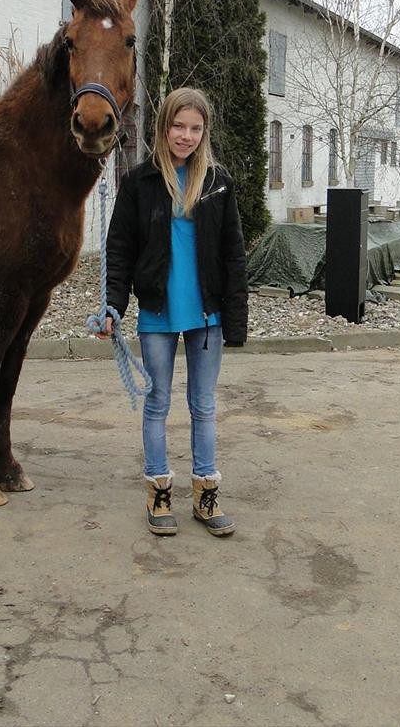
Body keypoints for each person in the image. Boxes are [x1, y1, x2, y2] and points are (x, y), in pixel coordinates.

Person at [100, 87, 248, 537]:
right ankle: (159, 493)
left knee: (203, 405)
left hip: (207, 316)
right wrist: (113, 306)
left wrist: (236, 319)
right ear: (164, 128)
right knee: (157, 404)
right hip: (159, 312)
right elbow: (120, 249)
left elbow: (233, 253)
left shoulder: (218, 182)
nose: (186, 136)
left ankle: (206, 495)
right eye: (178, 126)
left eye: (195, 128)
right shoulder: (140, 182)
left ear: (205, 133)